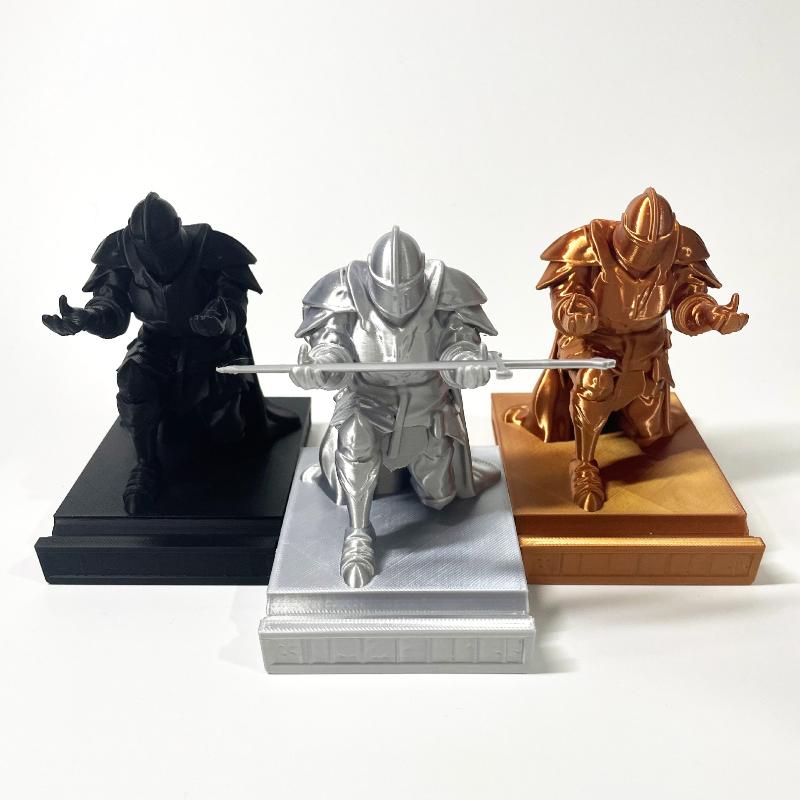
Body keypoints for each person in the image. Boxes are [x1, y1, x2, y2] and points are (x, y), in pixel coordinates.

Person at [42, 192, 285, 514]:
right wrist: (89, 318)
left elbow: (234, 303)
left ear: (179, 229)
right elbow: (112, 306)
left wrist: (219, 318)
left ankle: (227, 463)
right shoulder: (121, 252)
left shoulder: (212, 248)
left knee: (225, 429)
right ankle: (146, 464)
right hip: (155, 342)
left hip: (211, 346)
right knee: (133, 379)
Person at [292, 226, 499, 587]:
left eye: (409, 289)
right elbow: (332, 344)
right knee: (355, 437)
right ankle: (358, 533)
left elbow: (460, 340)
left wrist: (466, 363)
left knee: (440, 498)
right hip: (368, 402)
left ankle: (434, 476)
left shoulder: (446, 289)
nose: (400, 300)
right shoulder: (343, 292)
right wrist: (322, 367)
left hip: (427, 406)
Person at [521, 188, 749, 511]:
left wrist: (710, 315)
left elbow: (687, 300)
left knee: (650, 432)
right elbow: (566, 294)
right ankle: (584, 465)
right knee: (594, 383)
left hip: (646, 346)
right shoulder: (586, 246)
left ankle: (629, 423)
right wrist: (576, 311)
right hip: (592, 341)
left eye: (655, 248)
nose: (645, 257)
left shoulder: (681, 249)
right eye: (639, 245)